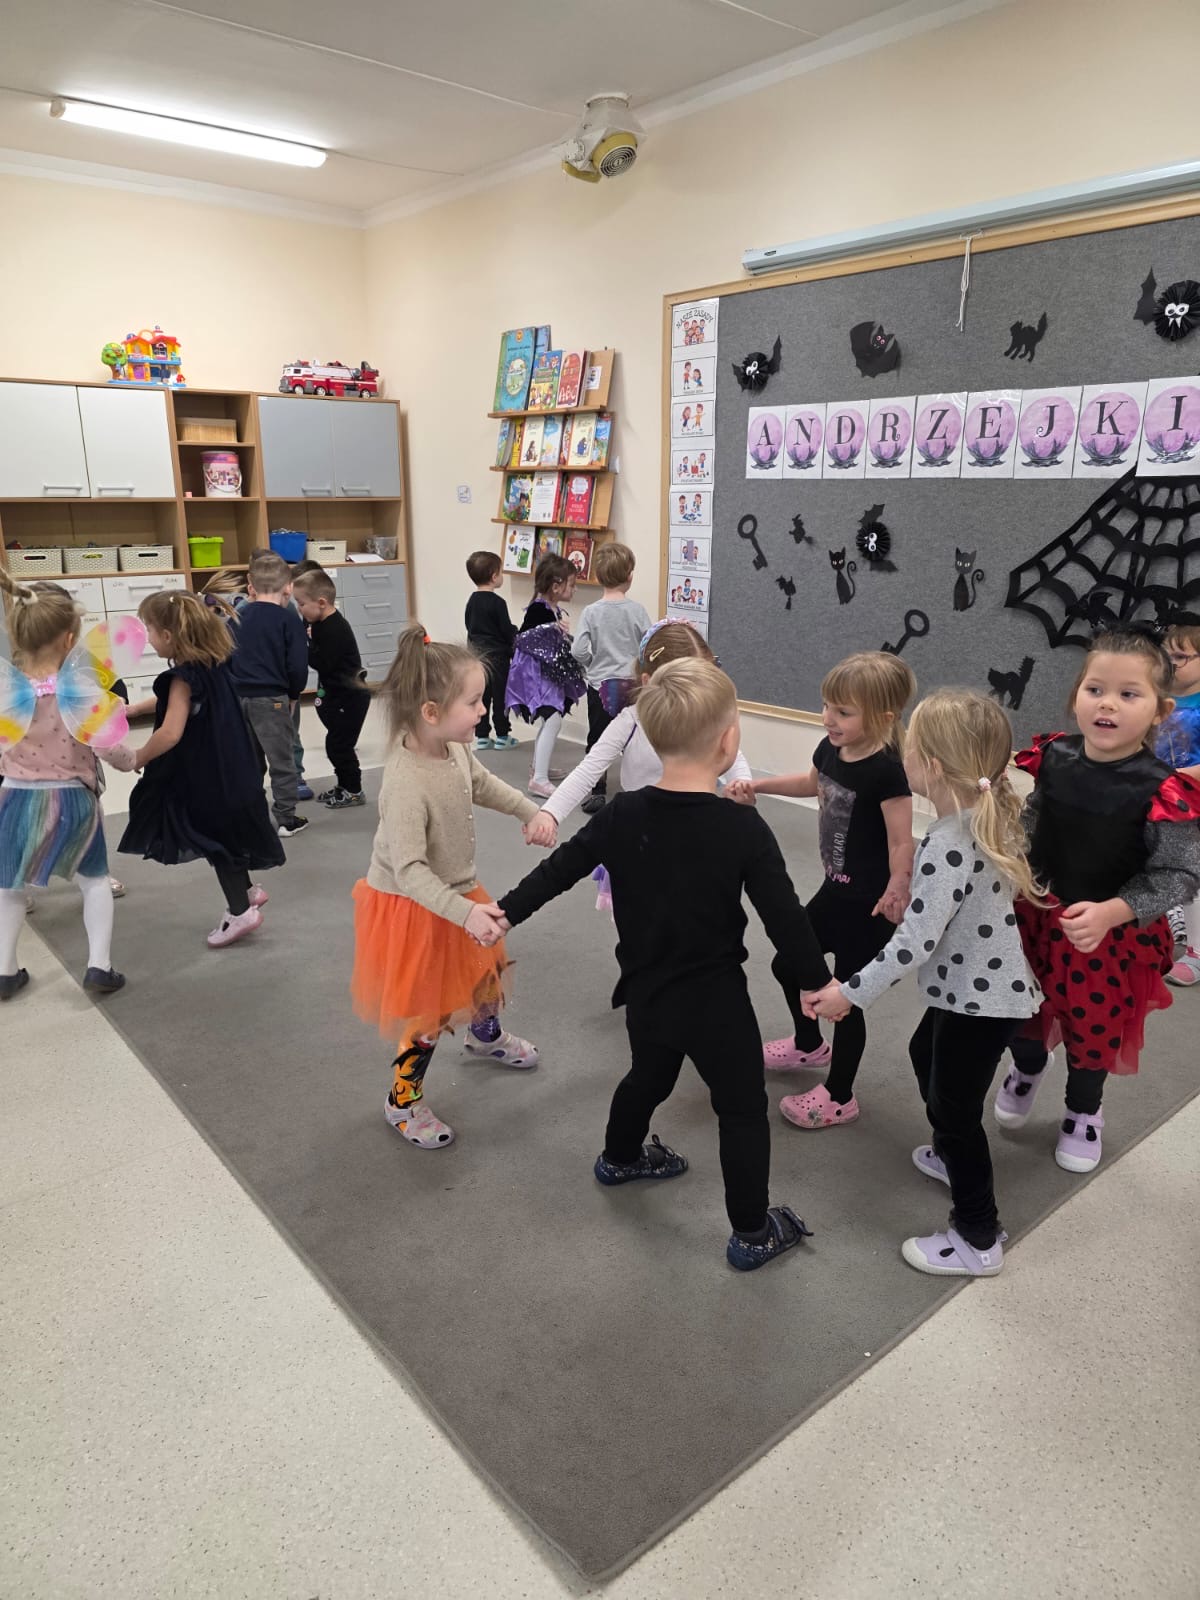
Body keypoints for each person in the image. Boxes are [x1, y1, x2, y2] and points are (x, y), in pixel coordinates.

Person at [497, 659, 831, 1271]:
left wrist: (505, 912)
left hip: (646, 990)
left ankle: (620, 1158)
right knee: (741, 1108)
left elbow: (558, 871)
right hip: (717, 1003)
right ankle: (753, 1232)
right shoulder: (742, 828)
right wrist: (818, 983)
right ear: (728, 741)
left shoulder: (621, 814)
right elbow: (786, 920)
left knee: (648, 1077)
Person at [807, 690, 1043, 1277]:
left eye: (907, 749)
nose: (900, 757)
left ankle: (978, 1237)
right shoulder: (978, 820)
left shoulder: (947, 842)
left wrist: (848, 992)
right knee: (923, 1054)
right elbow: (953, 908)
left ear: (931, 766)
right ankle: (948, 1153)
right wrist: (910, 896)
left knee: (956, 1112)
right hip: (974, 991)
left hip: (981, 1002)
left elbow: (913, 944)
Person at [996, 628, 1200, 1173]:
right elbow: (1036, 819)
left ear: (1160, 711)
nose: (1107, 704)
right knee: (1020, 1009)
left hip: (1106, 937)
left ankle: (1084, 1109)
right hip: (1036, 916)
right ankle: (1028, 1067)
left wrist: (1115, 911)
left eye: (1128, 694)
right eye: (1095, 689)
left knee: (1093, 1030)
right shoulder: (1055, 756)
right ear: (1076, 696)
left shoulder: (1163, 789)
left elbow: (1181, 874)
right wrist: (1012, 856)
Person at [350, 624, 541, 1151]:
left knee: (485, 970)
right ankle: (402, 1100)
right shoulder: (405, 782)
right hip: (415, 904)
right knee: (429, 1010)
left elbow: (480, 783)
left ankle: (485, 1037)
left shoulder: (453, 749)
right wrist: (463, 912)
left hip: (457, 891)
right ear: (431, 712)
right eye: (473, 702)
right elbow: (410, 871)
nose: (482, 711)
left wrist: (529, 810)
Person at [728, 652, 916, 1129]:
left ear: (883, 718)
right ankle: (809, 1045)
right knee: (786, 964)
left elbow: (901, 839)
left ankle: (840, 1096)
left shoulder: (887, 771)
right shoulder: (831, 748)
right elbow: (811, 783)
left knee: (846, 1000)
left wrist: (899, 883)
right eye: (827, 706)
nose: (828, 718)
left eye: (843, 711)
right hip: (835, 891)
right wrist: (758, 785)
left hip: (871, 906)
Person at [526, 622, 752, 914]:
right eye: (680, 685)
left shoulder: (706, 717)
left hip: (692, 830)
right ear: (648, 681)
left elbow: (734, 754)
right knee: (638, 912)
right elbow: (588, 770)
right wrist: (550, 812)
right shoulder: (630, 721)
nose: (692, 696)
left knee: (689, 908)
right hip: (639, 833)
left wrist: (742, 782)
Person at [118, 590, 285, 947]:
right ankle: (248, 892)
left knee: (214, 838)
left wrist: (139, 756)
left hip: (207, 775)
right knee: (229, 832)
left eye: (149, 630)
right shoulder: (211, 662)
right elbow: (173, 701)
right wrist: (134, 710)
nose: (148, 638)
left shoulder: (182, 677)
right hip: (233, 766)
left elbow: (170, 732)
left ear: (168, 635)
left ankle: (240, 912)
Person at [0, 570, 136, 999]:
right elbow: (110, 748)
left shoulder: (5, 692)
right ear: (70, 638)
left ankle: (5, 972)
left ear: (16, 635)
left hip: (14, 798)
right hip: (73, 800)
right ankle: (99, 966)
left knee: (8, 887)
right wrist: (132, 762)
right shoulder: (81, 691)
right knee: (94, 881)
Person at [228, 550, 309, 836]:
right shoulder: (288, 619)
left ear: (250, 585)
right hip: (271, 699)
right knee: (281, 759)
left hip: (238, 698)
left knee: (248, 760)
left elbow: (225, 656)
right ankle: (286, 818)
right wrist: (294, 695)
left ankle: (250, 815)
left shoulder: (236, 616)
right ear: (288, 587)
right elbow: (297, 664)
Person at [569, 543, 651, 814]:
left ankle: (597, 791)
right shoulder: (637, 611)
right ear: (629, 576)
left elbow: (578, 650)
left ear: (598, 576)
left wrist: (592, 664)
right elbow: (649, 646)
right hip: (633, 686)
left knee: (599, 737)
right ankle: (637, 787)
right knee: (635, 736)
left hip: (601, 686)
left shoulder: (591, 612)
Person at [505, 554, 584, 799]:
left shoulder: (550, 609)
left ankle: (538, 768)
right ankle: (538, 779)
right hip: (535, 677)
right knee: (552, 720)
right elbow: (527, 639)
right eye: (572, 585)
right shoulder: (539, 610)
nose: (575, 589)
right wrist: (553, 630)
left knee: (552, 719)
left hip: (544, 675)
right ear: (556, 586)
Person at [292, 569, 370, 809]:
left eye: (301, 604)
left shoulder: (334, 629)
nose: (299, 609)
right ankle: (344, 785)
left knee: (340, 746)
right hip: (337, 696)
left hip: (351, 697)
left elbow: (322, 662)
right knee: (335, 744)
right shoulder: (320, 623)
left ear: (321, 603)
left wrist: (304, 647)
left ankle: (354, 790)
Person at [1158, 619, 1200, 986]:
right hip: (1161, 797)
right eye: (1168, 654)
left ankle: (1197, 953)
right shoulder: (1158, 698)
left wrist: (1178, 776)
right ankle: (1173, 925)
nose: (1172, 663)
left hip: (1192, 801)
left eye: (1181, 657)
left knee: (1190, 874)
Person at [464, 550, 518, 752]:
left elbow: (469, 626)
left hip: (478, 657)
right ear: (494, 576)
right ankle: (503, 735)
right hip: (498, 658)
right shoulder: (498, 603)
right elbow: (505, 629)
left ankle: (482, 735)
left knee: (482, 696)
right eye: (501, 572)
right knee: (501, 696)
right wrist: (516, 636)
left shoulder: (472, 600)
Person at [289, 558, 326, 800]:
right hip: (279, 681)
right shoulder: (290, 613)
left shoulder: (322, 619)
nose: (300, 605)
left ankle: (296, 775)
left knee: (291, 730)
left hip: (298, 681)